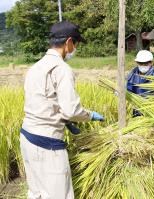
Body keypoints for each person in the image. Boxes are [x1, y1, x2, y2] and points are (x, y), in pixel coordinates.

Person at [20, 21, 104, 199]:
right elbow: (72, 110)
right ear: (68, 42)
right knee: (59, 195)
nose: (76, 48)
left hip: (27, 138)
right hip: (47, 145)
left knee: (36, 193)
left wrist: (65, 121)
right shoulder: (62, 69)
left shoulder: (35, 67)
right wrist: (90, 116)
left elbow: (44, 103)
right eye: (76, 43)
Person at [127, 50, 154, 117]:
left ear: (151, 63)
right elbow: (128, 89)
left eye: (146, 63)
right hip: (136, 108)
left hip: (151, 110)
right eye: (141, 63)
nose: (143, 65)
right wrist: (122, 92)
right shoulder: (133, 74)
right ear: (137, 63)